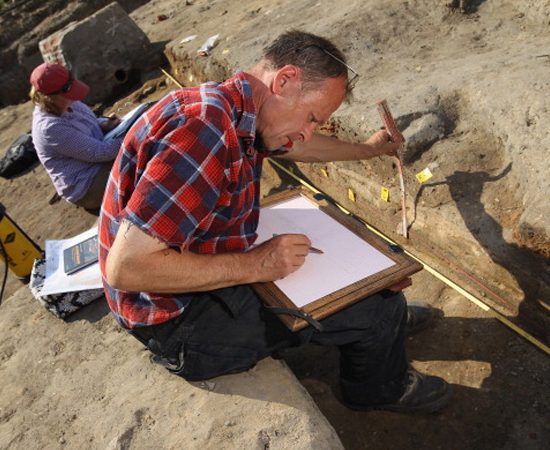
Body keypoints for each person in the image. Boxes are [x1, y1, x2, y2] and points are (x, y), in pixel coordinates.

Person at [98, 30, 452, 414]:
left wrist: (366, 150)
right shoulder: (203, 127)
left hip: (185, 280)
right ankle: (378, 386)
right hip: (179, 325)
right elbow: (127, 268)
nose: (307, 131)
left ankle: (380, 315)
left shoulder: (238, 108)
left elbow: (300, 145)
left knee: (371, 287)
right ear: (284, 80)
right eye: (313, 117)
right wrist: (258, 264)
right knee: (379, 308)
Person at [30, 62, 124, 211]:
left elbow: (85, 124)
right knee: (136, 164)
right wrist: (136, 134)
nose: (73, 97)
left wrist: (103, 125)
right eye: (68, 93)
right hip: (86, 183)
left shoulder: (65, 102)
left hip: (98, 159)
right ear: (49, 98)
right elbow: (100, 152)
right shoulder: (50, 127)